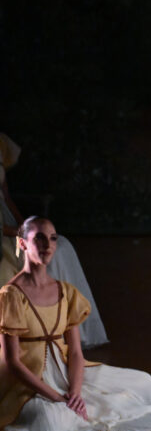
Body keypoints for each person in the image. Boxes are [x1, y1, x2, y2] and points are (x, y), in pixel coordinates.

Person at [0, 217, 151, 431]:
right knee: (48, 420)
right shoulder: (11, 295)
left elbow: (76, 352)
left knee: (143, 384)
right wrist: (56, 397)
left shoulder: (65, 291)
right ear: (22, 244)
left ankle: (75, 400)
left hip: (65, 371)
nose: (47, 245)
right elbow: (12, 362)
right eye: (38, 238)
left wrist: (75, 393)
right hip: (28, 381)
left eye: (52, 238)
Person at [0, 133, 108, 348]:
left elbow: (6, 197)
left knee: (62, 247)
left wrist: (27, 226)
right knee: (30, 253)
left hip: (9, 223)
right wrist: (16, 232)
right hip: (3, 232)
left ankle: (69, 327)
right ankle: (39, 329)